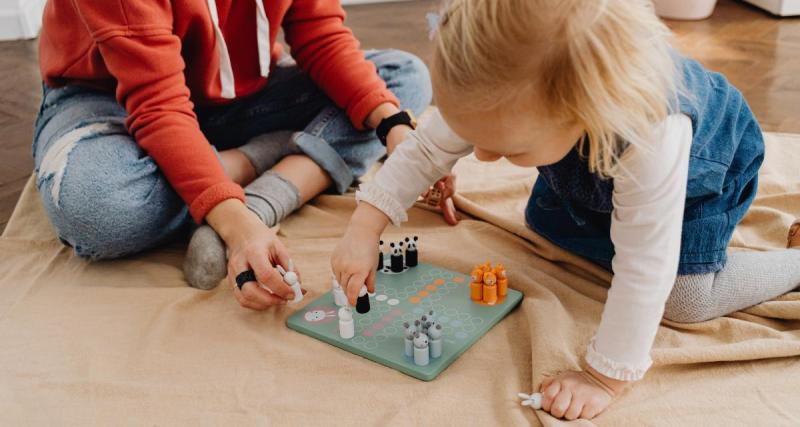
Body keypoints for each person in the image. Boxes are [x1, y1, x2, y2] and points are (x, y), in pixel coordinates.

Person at [330, 0, 800, 420]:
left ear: (583, 111)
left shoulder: (650, 135)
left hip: (705, 179)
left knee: (684, 300)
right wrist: (364, 227)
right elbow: (426, 149)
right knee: (544, 221)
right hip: (598, 170)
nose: (485, 159)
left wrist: (604, 377)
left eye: (509, 150)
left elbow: (644, 266)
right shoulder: (505, 84)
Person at [33, 0, 432, 308]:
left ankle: (255, 196)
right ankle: (258, 163)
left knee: (402, 80)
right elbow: (158, 104)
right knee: (98, 209)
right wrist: (239, 231)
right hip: (113, 99)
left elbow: (321, 35)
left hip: (237, 97)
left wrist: (392, 125)